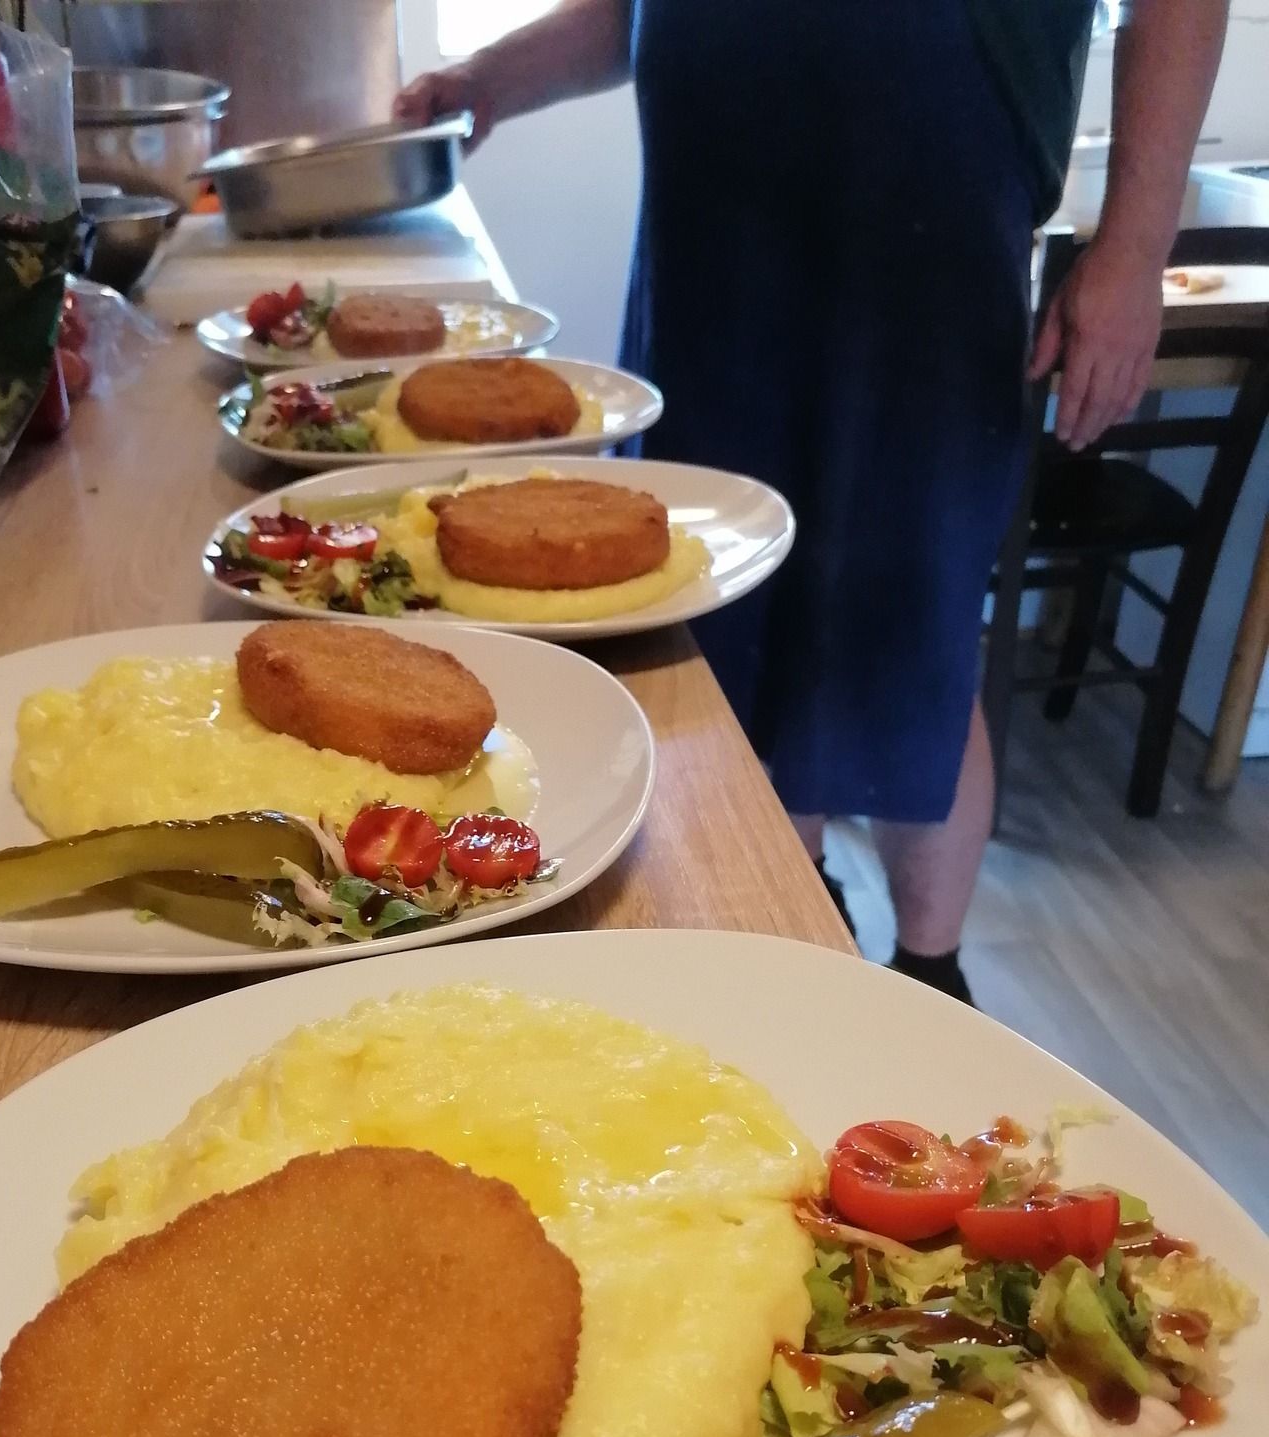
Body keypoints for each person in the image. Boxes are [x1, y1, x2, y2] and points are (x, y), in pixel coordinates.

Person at [397, 0, 1229, 1001]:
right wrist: (486, 79)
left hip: (926, 231)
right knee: (712, 632)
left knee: (915, 646)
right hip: (711, 259)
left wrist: (1136, 247)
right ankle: (795, 926)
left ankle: (930, 978)